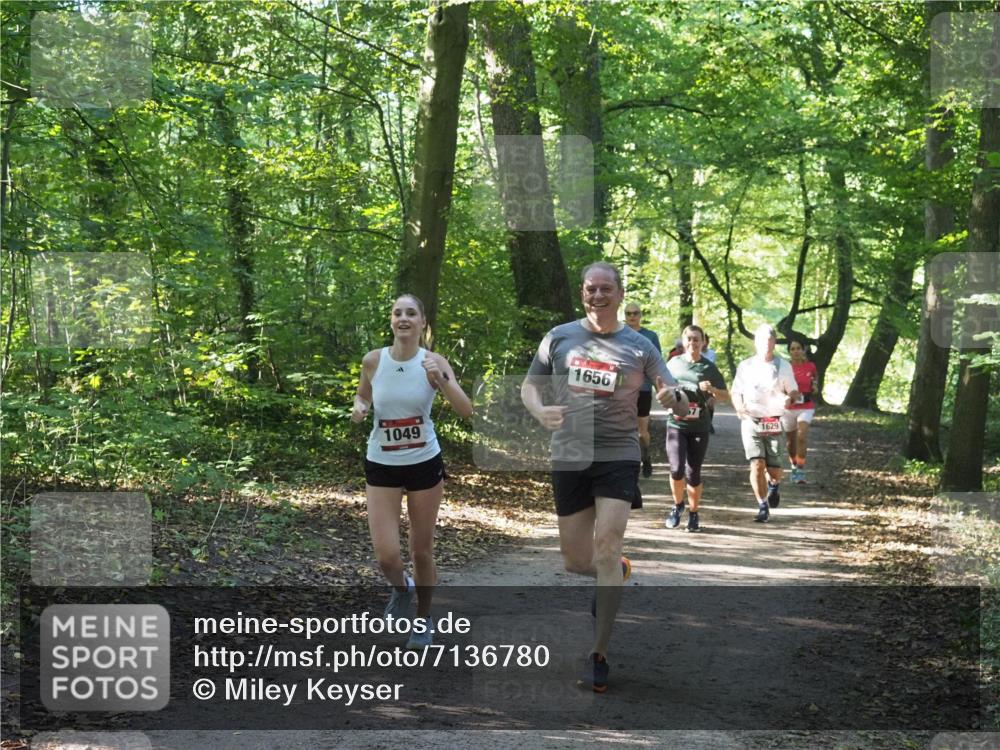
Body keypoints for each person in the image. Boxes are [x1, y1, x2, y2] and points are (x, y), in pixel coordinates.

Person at [521, 262, 687, 693]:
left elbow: (675, 397)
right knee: (577, 561)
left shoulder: (639, 345)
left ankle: (599, 655)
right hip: (570, 454)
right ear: (583, 294)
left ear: (619, 292)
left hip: (618, 453)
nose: (598, 295)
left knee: (607, 546)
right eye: (591, 289)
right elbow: (529, 387)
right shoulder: (559, 337)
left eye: (606, 289)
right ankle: (616, 570)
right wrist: (541, 412)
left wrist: (675, 398)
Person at [351, 294, 473, 649]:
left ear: (422, 322)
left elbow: (466, 409)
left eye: (411, 313)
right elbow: (363, 397)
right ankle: (400, 588)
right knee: (386, 554)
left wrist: (442, 380)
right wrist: (358, 410)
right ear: (391, 321)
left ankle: (422, 620)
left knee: (421, 551)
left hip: (423, 463)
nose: (403, 318)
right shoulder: (373, 361)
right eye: (397, 313)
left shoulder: (434, 361)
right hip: (382, 464)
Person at [730, 324, 800, 523]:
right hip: (751, 419)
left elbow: (793, 391)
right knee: (757, 464)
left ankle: (774, 485)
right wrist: (739, 407)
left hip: (773, 420)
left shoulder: (783, 366)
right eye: (762, 340)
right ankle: (762, 504)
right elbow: (736, 391)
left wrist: (790, 398)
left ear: (774, 342)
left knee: (774, 469)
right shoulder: (746, 366)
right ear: (756, 342)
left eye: (770, 340)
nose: (766, 344)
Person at [664, 325, 729, 532]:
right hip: (676, 424)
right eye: (689, 339)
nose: (693, 343)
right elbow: (662, 387)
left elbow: (725, 396)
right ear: (684, 342)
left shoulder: (708, 367)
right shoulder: (673, 364)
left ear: (703, 342)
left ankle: (693, 513)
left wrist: (711, 390)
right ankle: (677, 506)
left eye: (697, 339)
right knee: (676, 469)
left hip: (699, 426)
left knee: (693, 472)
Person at [623, 303, 662, 478]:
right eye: (628, 313)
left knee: (641, 431)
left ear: (640, 315)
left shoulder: (650, 336)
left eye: (635, 313)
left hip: (643, 388)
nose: (632, 316)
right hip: (620, 390)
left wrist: (660, 388)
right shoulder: (617, 334)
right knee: (622, 429)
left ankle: (645, 457)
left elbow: (657, 364)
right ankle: (628, 463)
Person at [782, 338, 818, 484]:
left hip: (806, 406)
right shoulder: (785, 368)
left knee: (801, 436)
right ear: (789, 352)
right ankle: (794, 465)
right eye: (793, 349)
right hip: (789, 408)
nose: (796, 351)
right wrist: (785, 396)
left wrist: (815, 387)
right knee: (791, 441)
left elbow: (815, 380)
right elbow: (779, 386)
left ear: (804, 350)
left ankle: (801, 470)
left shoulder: (811, 366)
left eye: (798, 348)